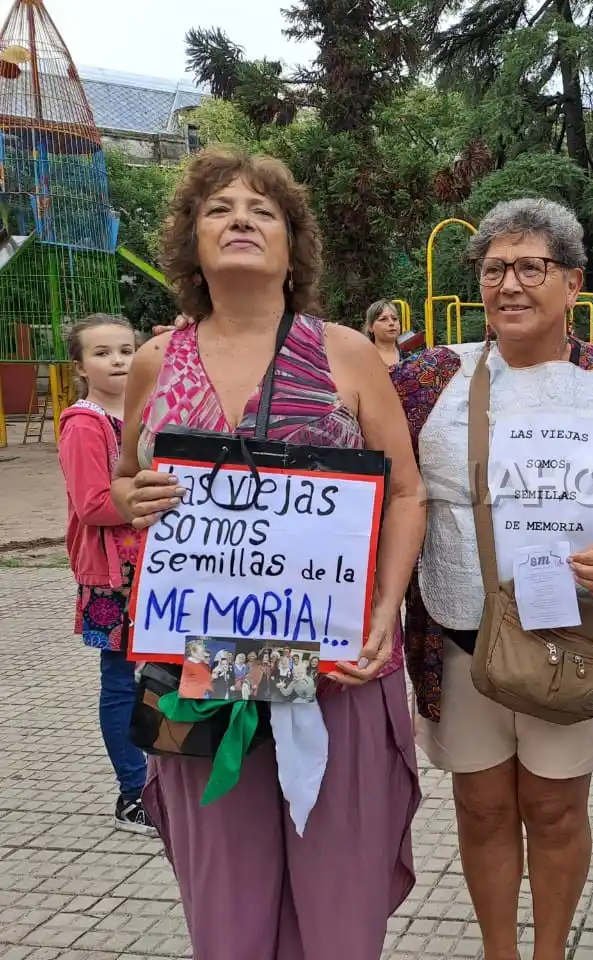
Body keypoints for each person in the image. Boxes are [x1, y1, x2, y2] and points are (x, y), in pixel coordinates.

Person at [110, 148, 425, 960]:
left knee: (341, 907)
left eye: (263, 209)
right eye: (219, 208)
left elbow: (407, 494)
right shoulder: (155, 361)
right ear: (190, 240)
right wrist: (129, 500)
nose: (241, 217)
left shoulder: (345, 352)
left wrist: (388, 604)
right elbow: (122, 487)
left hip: (332, 668)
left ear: (293, 246)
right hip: (192, 670)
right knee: (223, 901)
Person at [391, 197, 593, 960]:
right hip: (458, 640)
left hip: (571, 640)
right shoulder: (429, 378)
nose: (510, 284)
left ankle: (548, 951)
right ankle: (499, 953)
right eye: (494, 270)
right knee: (481, 808)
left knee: (553, 809)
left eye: (531, 267)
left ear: (573, 281)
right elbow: (373, 481)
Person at [57, 313, 157, 837]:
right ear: (79, 365)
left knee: (169, 673)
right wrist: (160, 503)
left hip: (161, 569)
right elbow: (94, 503)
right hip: (113, 578)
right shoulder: (84, 423)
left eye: (125, 349)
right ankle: (132, 793)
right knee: (121, 681)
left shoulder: (147, 411)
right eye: (102, 353)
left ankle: (169, 784)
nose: (118, 360)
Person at [364, 298, 403, 368]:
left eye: (394, 318)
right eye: (383, 319)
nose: (391, 323)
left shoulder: (410, 359)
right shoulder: (362, 359)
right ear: (370, 327)